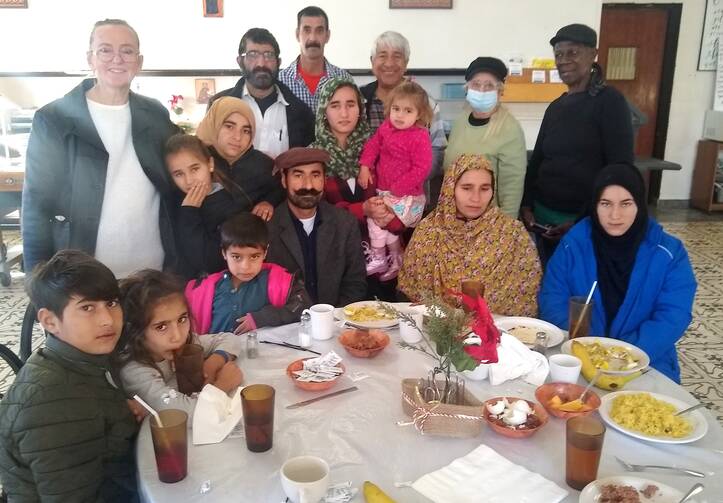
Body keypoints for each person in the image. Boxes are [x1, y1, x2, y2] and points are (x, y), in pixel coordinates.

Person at [22, 19, 179, 277]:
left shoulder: (155, 114)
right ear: (90, 59)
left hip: (151, 270)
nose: (117, 59)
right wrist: (36, 277)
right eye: (105, 50)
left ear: (139, 62)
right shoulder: (54, 119)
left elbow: (182, 162)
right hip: (84, 272)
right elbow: (37, 204)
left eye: (127, 51)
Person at [0, 250, 141, 501]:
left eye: (111, 303)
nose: (107, 320)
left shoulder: (85, 357)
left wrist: (120, 415)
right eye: (87, 307)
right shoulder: (48, 403)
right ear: (50, 321)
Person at [539, 164, 696, 382]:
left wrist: (622, 357)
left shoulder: (668, 253)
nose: (615, 215)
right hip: (579, 358)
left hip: (646, 362)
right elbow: (552, 299)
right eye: (606, 204)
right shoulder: (573, 245)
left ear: (639, 204)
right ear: (595, 205)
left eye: (626, 204)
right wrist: (587, 351)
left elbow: (673, 316)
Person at [521, 23, 634, 262]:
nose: (563, 60)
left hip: (586, 222)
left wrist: (582, 221)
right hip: (544, 220)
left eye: (572, 53)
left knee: (579, 291)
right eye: (558, 55)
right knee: (549, 285)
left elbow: (620, 169)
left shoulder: (610, 102)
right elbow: (539, 159)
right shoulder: (556, 107)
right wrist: (527, 206)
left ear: (593, 54)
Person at [398, 154, 541, 317]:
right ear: (450, 188)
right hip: (435, 335)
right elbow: (410, 297)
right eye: (466, 188)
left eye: (485, 188)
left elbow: (524, 299)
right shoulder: (428, 232)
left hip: (501, 336)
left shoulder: (512, 234)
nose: (476, 198)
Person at [311, 77, 406, 300]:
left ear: (360, 109)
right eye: (335, 105)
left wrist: (388, 212)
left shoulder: (380, 149)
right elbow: (315, 213)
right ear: (324, 110)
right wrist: (361, 210)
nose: (344, 113)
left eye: (350, 105)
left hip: (384, 263)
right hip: (336, 263)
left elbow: (400, 195)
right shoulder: (313, 157)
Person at [118, 269, 243, 418]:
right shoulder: (135, 371)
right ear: (136, 331)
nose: (177, 336)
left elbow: (230, 339)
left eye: (182, 319)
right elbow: (187, 415)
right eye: (161, 327)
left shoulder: (184, 345)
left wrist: (214, 362)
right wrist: (222, 385)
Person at [266, 147, 367, 306]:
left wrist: (334, 320)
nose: (308, 185)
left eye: (315, 175)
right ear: (284, 180)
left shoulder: (345, 223)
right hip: (285, 326)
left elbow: (355, 282)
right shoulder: (267, 227)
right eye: (298, 175)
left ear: (324, 180)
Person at [185, 212, 311, 335]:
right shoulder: (205, 290)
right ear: (224, 253)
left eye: (254, 256)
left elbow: (303, 306)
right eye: (236, 257)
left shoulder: (278, 281)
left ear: (265, 252)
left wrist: (262, 318)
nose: (245, 267)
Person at [360, 31, 447, 205]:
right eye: (382, 56)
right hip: (367, 197)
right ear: (372, 61)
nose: (389, 63)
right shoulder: (357, 100)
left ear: (406, 63)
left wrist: (404, 181)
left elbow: (437, 151)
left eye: (397, 56)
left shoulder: (427, 103)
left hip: (410, 200)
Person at [358, 81, 433, 280]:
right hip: (387, 192)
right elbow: (373, 146)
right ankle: (396, 258)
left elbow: (422, 168)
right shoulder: (386, 128)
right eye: (396, 109)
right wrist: (365, 166)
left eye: (408, 110)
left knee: (377, 220)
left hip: (408, 197)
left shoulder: (420, 136)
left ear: (420, 114)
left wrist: (397, 189)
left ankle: (379, 256)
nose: (399, 115)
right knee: (381, 221)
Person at [209, 28, 314, 158]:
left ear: (278, 62)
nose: (261, 63)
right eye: (253, 55)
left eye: (269, 55)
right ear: (240, 61)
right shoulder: (218, 105)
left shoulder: (301, 112)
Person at [444, 57, 527, 218]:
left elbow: (512, 188)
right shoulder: (461, 121)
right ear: (467, 88)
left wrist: (505, 229)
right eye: (476, 84)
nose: (482, 90)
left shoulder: (509, 129)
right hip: (454, 215)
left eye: (489, 85)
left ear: (500, 90)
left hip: (487, 222)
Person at [165, 133, 248, 277]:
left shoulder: (229, 206)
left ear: (210, 164)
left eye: (195, 169)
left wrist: (190, 212)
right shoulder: (172, 201)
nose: (189, 180)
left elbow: (208, 261)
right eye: (178, 174)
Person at [196, 96, 283, 222]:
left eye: (246, 131)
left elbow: (279, 190)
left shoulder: (263, 164)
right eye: (229, 126)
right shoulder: (196, 161)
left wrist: (268, 202)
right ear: (214, 124)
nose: (237, 137)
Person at [279, 6, 352, 113]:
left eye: (319, 31)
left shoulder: (344, 80)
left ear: (327, 36)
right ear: (297, 35)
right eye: (307, 30)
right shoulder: (280, 81)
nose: (313, 38)